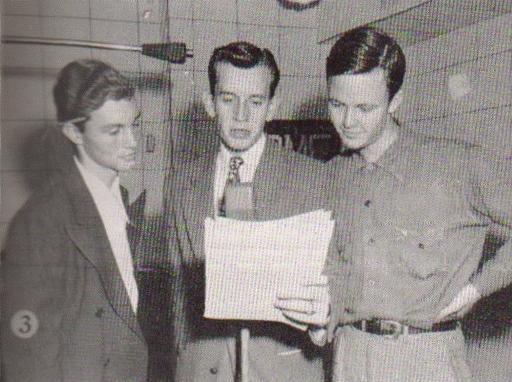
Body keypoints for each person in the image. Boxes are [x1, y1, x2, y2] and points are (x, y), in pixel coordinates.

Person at [277, 26, 512, 381]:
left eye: (365, 108)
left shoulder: (457, 164)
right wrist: (322, 320)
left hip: (425, 358)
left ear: (395, 101)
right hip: (349, 357)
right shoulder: (332, 176)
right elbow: (334, 271)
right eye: (337, 104)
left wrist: (477, 288)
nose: (348, 121)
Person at [165, 41, 330, 381]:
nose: (241, 115)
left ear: (273, 106)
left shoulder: (313, 178)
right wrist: (186, 354)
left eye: (255, 101)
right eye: (228, 99)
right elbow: (178, 289)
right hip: (203, 368)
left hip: (283, 369)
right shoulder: (180, 182)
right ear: (210, 103)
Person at [1, 59, 148, 381]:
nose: (132, 142)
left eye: (133, 124)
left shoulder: (117, 200)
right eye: (114, 131)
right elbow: (27, 356)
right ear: (73, 132)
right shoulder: (41, 222)